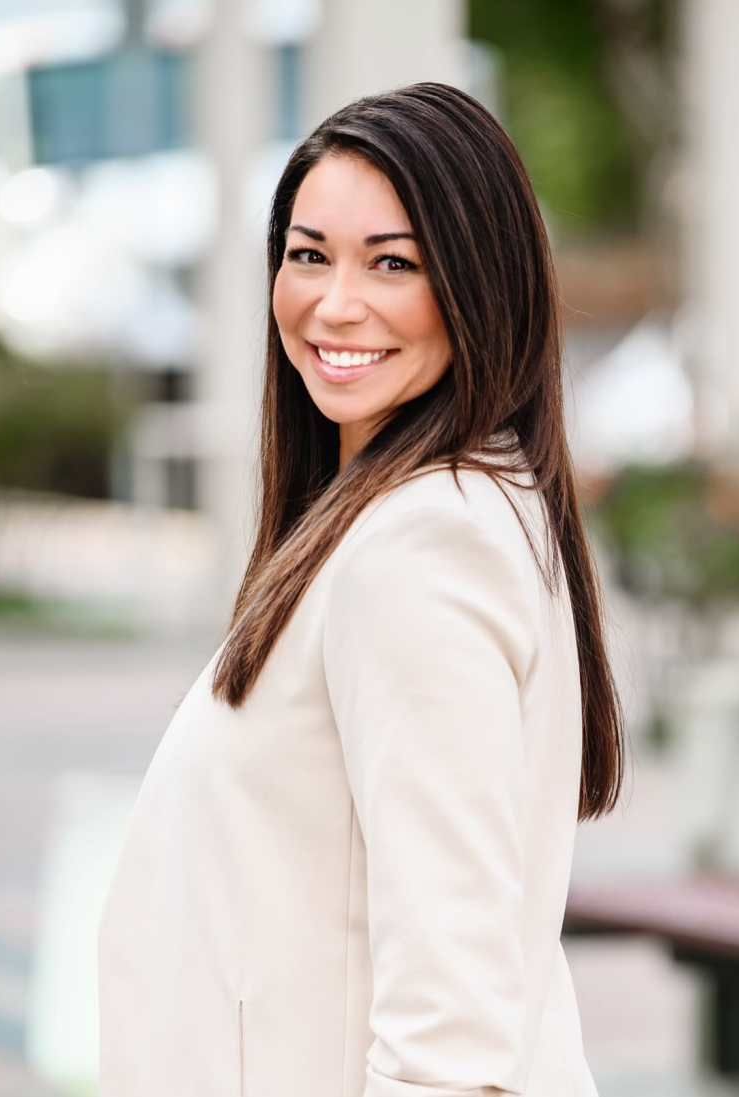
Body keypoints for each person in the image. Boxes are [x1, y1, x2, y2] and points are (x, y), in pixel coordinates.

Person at [98, 81, 624, 1097]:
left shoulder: (422, 546)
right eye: (307, 254)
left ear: (480, 284)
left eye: (394, 262)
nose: (334, 303)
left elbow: (448, 1017)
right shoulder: (436, 512)